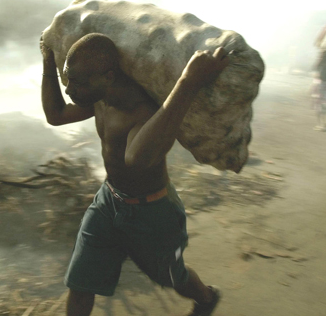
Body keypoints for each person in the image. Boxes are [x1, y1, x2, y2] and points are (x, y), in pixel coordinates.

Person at [40, 33, 229, 316]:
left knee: (172, 276)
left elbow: (136, 159)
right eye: (69, 79)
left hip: (153, 212)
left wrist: (189, 81)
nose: (70, 90)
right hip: (108, 202)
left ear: (109, 75)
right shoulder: (98, 98)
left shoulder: (142, 109)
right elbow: (55, 115)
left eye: (78, 82)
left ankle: (206, 298)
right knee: (81, 282)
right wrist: (47, 61)